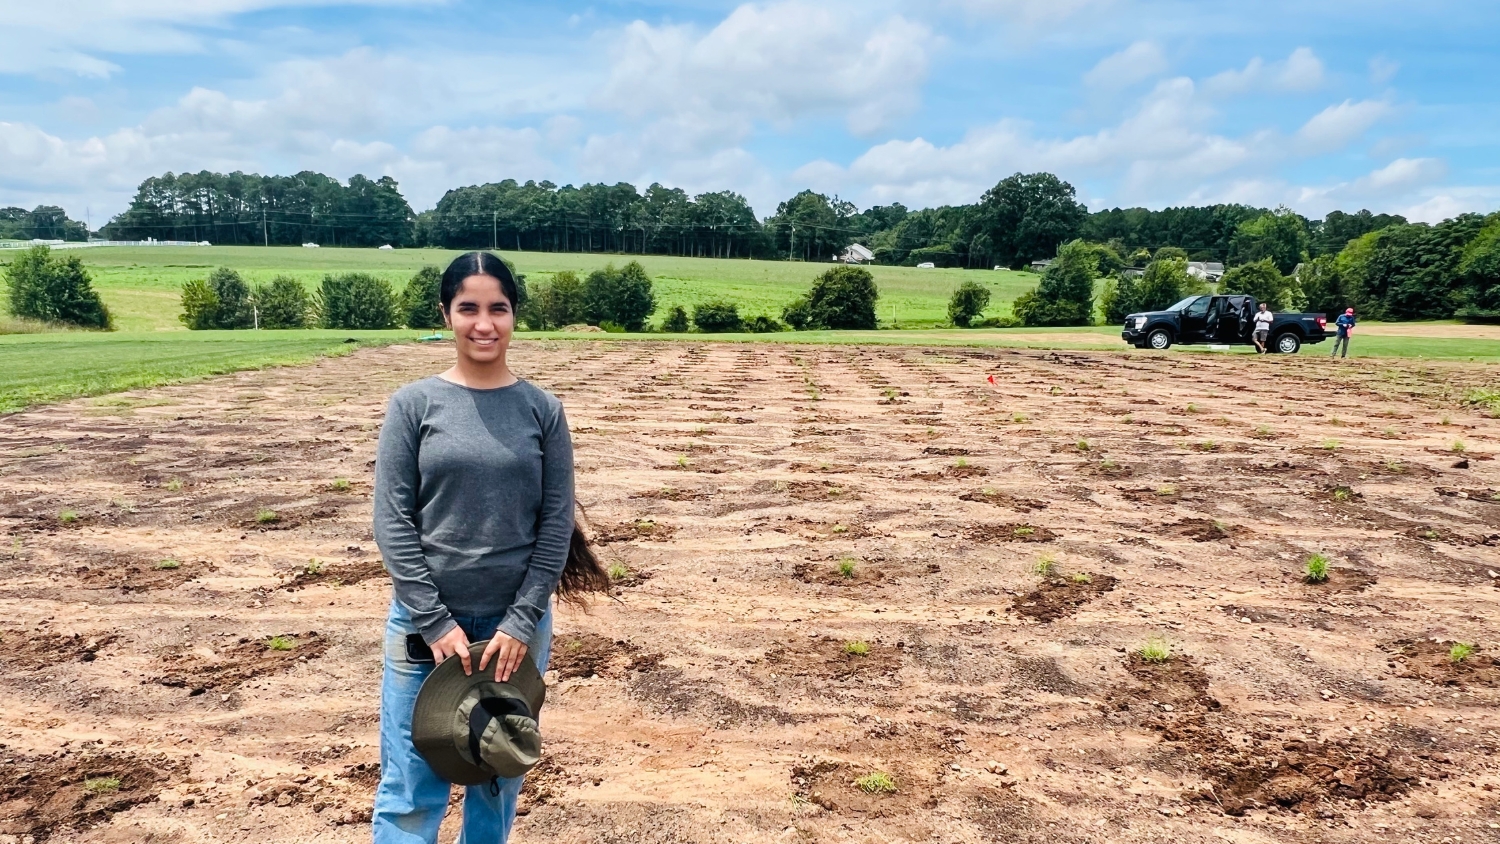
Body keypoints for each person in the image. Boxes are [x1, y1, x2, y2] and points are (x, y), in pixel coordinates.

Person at [372, 251, 609, 844]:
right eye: (468, 308)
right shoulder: (414, 405)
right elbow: (392, 519)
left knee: (496, 773)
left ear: (514, 315)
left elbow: (555, 524)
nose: (484, 323)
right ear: (446, 314)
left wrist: (523, 620)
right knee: (410, 787)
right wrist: (433, 621)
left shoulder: (542, 410)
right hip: (426, 629)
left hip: (513, 630)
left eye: (498, 308)